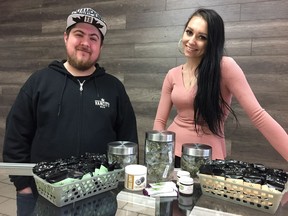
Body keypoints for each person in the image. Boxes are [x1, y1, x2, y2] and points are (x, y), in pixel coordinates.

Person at [3, 7, 138, 215]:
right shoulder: (39, 82)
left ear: (100, 46)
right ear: (66, 37)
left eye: (94, 38)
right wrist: (23, 186)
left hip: (99, 199)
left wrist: (116, 188)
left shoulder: (114, 89)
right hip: (41, 196)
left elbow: (128, 141)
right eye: (79, 34)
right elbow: (16, 136)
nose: (86, 42)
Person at [153, 8, 288, 167]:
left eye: (202, 37)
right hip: (171, 156)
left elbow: (258, 115)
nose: (191, 41)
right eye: (189, 32)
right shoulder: (172, 74)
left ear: (212, 42)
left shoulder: (225, 67)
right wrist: (160, 153)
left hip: (208, 159)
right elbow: (159, 122)